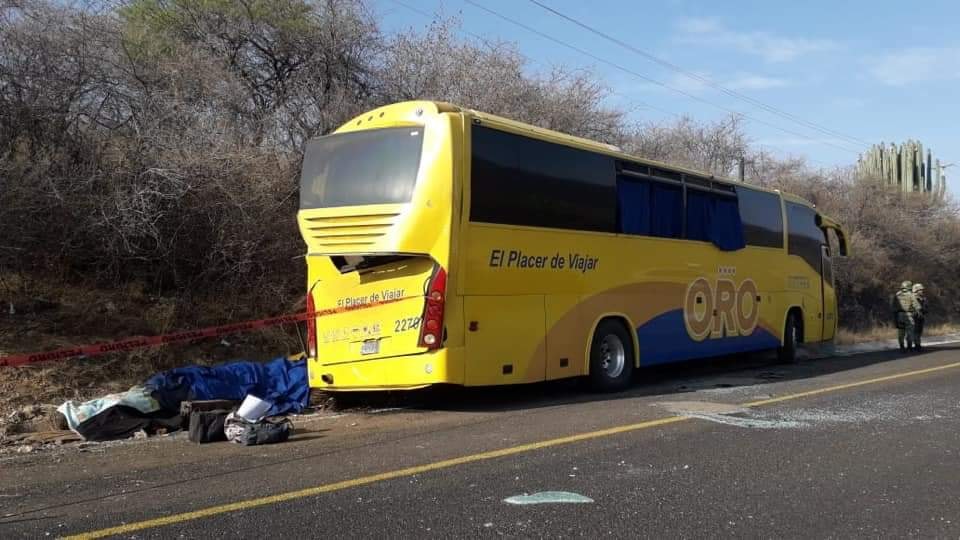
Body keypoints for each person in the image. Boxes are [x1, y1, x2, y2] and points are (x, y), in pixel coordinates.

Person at [891, 280, 919, 352]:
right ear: (909, 286)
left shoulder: (897, 294)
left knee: (901, 332)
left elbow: (893, 306)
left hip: (899, 315)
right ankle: (909, 347)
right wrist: (917, 312)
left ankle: (902, 347)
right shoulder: (911, 294)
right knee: (910, 332)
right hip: (908, 315)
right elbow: (916, 305)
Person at [912, 283, 926, 350]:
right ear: (916, 290)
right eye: (920, 290)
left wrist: (924, 310)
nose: (922, 291)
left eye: (922, 290)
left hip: (921, 317)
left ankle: (917, 344)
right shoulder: (912, 298)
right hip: (914, 317)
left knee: (919, 331)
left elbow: (926, 308)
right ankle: (917, 345)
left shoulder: (923, 298)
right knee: (916, 331)